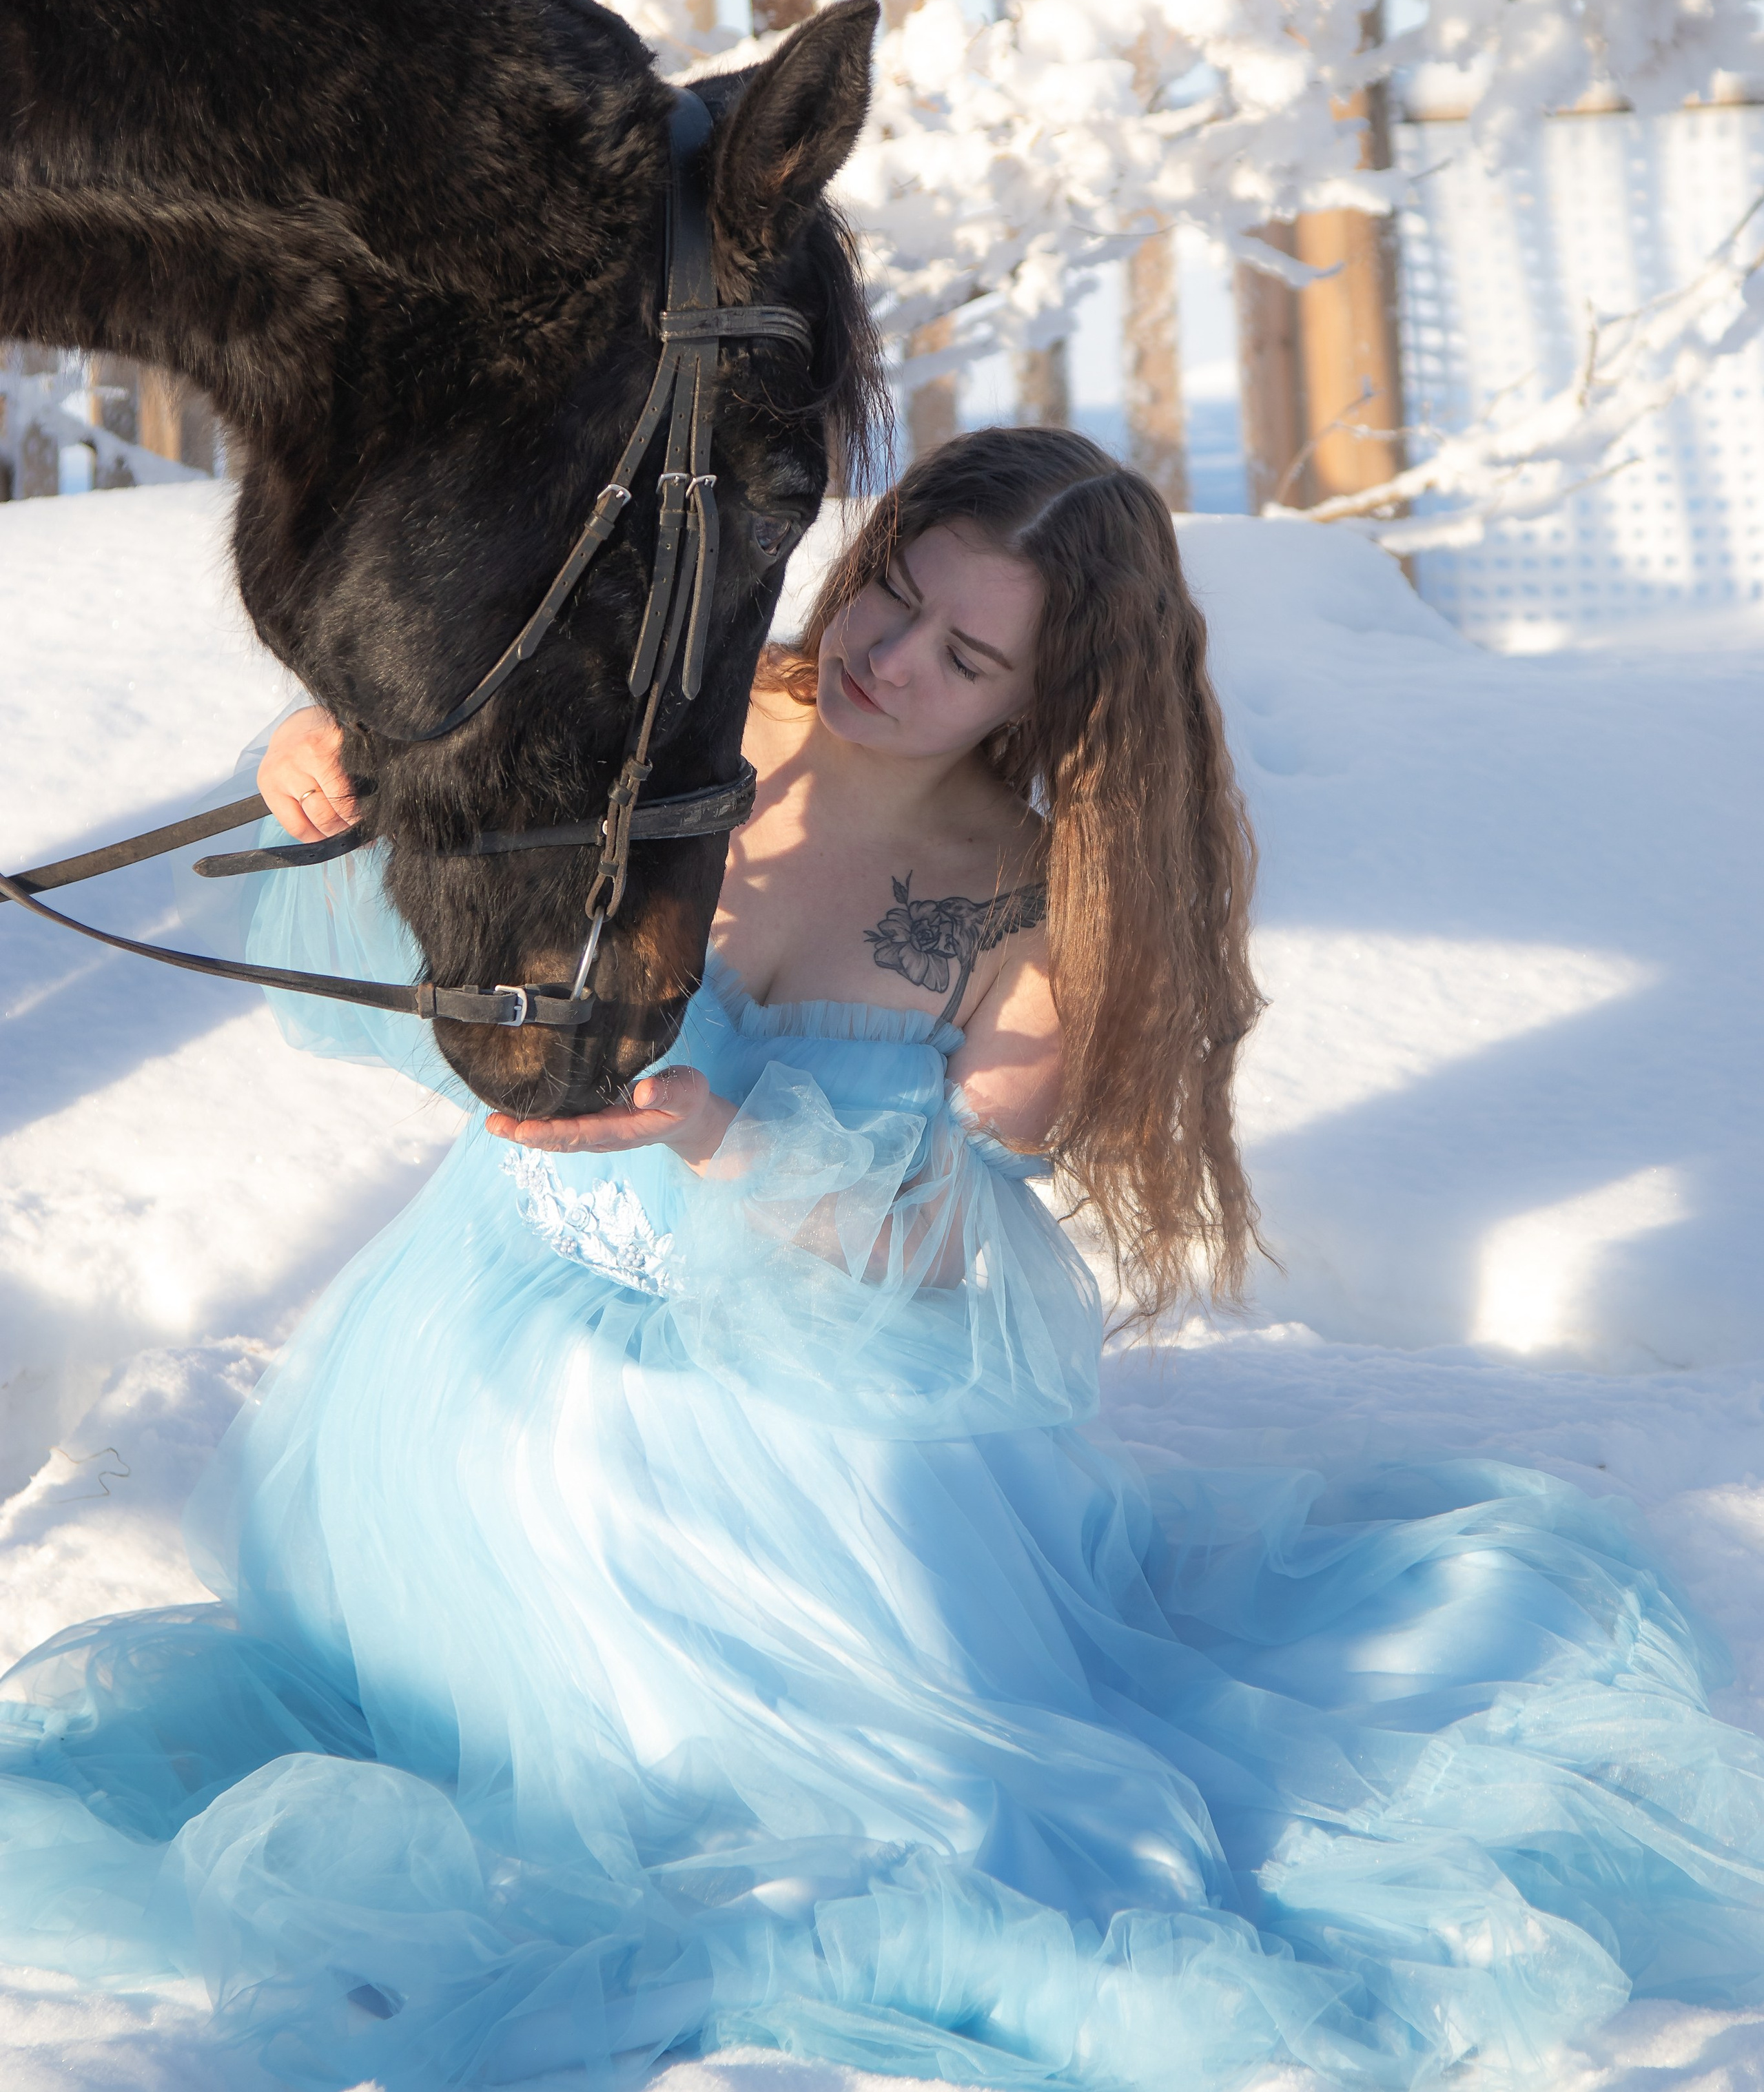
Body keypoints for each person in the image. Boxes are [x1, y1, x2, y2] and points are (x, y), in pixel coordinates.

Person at [3, 425, 1764, 2092]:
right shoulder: (675, 713)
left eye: (965, 656)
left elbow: (943, 1256)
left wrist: (727, 1134)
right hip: (480, 1335)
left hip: (796, 1416)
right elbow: (425, 854)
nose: (891, 660)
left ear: (1046, 698)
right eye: (889, 592)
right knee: (449, 1671)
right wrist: (312, 759)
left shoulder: (1028, 903)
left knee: (882, 1810)